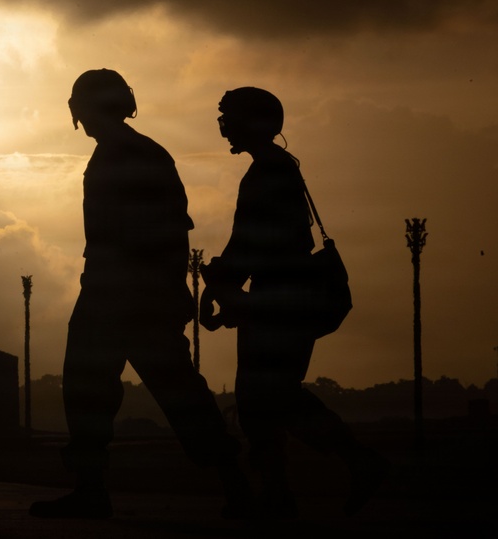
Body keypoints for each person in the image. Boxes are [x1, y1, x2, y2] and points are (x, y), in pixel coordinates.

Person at [30, 69, 251, 520]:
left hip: (125, 296)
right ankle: (236, 487)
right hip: (128, 294)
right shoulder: (131, 152)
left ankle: (236, 487)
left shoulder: (127, 155)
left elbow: (162, 233)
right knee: (142, 390)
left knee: (148, 391)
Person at [202, 86, 389, 518]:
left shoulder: (267, 172)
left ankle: (306, 482)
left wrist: (224, 286)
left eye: (229, 116)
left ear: (253, 122)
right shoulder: (278, 167)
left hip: (278, 301)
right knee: (271, 398)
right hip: (280, 298)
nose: (223, 125)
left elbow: (253, 244)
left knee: (263, 400)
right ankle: (290, 488)